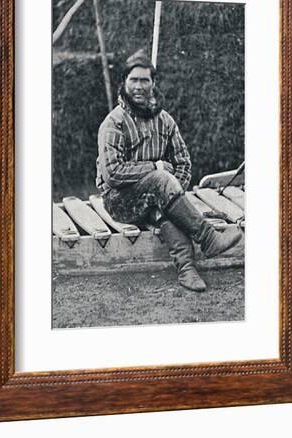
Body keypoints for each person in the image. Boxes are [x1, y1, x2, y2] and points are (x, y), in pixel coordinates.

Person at [96, 50, 244, 292]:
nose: (139, 86)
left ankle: (187, 270)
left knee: (163, 207)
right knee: (161, 179)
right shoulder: (113, 123)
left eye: (145, 80)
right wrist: (155, 169)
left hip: (155, 198)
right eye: (134, 80)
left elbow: (184, 164)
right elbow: (112, 173)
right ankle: (208, 238)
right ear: (123, 82)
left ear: (153, 83)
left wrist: (171, 192)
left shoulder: (165, 121)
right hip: (119, 202)